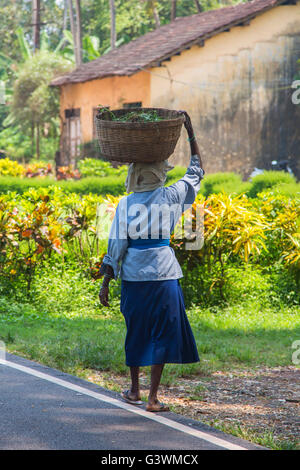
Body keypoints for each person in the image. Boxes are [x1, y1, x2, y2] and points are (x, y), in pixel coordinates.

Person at [99, 111, 205, 412]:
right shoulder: (171, 197)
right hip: (164, 276)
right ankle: (153, 398)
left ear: (133, 175)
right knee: (162, 333)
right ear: (160, 173)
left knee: (137, 330)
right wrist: (191, 132)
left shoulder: (126, 204)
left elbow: (116, 246)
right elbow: (197, 173)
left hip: (134, 277)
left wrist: (106, 283)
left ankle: (134, 390)